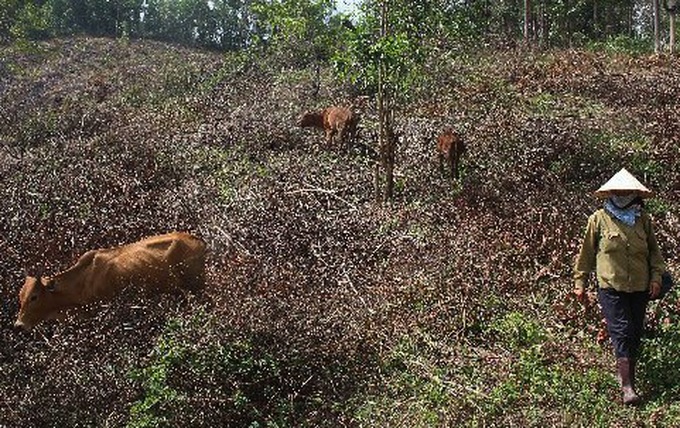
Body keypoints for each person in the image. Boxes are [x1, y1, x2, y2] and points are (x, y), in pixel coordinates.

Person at [573, 168, 666, 406]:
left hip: (640, 286)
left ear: (635, 193)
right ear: (611, 192)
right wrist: (580, 283)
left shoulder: (643, 220)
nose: (623, 194)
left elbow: (655, 255)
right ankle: (628, 387)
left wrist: (656, 278)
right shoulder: (598, 219)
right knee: (622, 331)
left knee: (634, 332)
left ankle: (626, 374)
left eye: (627, 191)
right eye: (619, 190)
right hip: (611, 286)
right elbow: (586, 255)